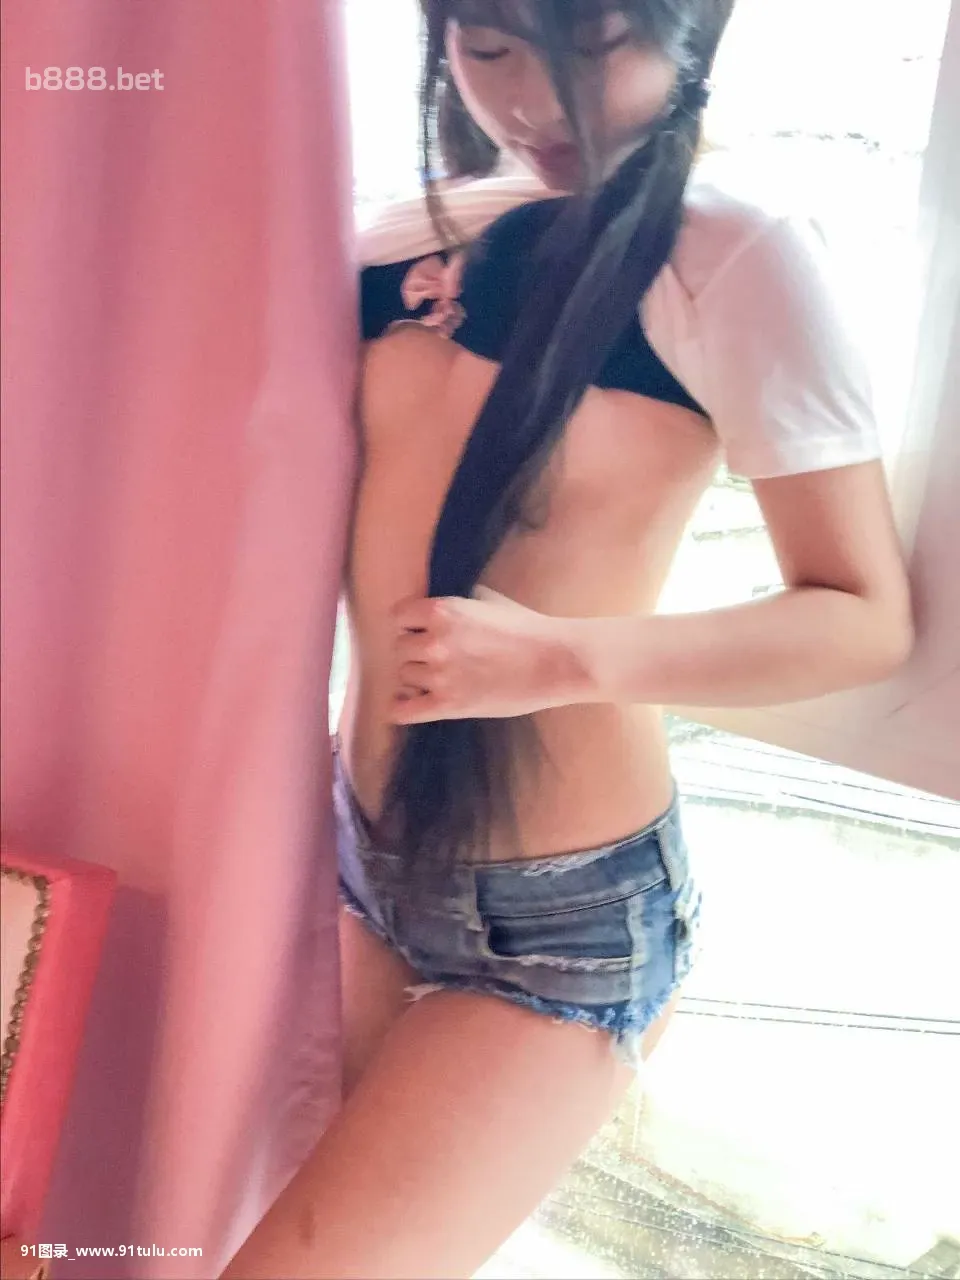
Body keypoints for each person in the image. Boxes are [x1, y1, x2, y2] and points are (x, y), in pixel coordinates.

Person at [221, 2, 913, 1276]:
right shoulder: (398, 234)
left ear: (690, 33)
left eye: (596, 44)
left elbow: (860, 615)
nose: (538, 99)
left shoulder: (736, 250)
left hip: (559, 920)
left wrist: (560, 655)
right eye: (490, 49)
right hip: (355, 861)